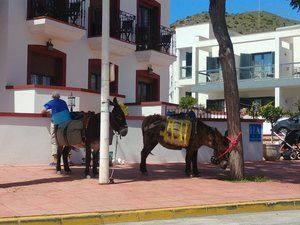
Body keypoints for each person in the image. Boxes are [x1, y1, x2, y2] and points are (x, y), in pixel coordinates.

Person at [41, 92, 71, 166]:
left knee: (54, 139)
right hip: (67, 121)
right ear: (59, 96)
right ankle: (68, 160)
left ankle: (55, 160)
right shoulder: (63, 102)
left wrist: (48, 112)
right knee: (67, 139)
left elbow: (43, 111)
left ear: (52, 97)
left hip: (57, 122)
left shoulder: (51, 102)